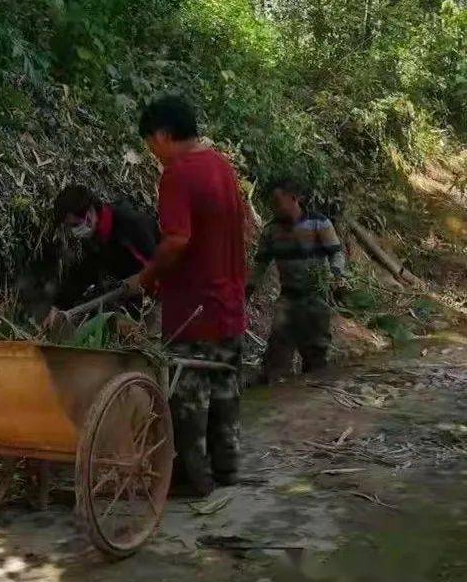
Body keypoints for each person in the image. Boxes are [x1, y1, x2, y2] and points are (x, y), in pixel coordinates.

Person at [129, 95, 248, 497]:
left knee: (187, 393)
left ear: (163, 134)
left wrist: (147, 275)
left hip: (194, 308)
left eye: (151, 145)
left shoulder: (178, 174)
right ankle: (227, 467)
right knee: (225, 385)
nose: (153, 155)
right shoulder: (223, 167)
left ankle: (192, 478)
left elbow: (178, 239)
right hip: (229, 301)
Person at [249, 178, 347, 384]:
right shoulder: (271, 231)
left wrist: (336, 274)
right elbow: (260, 265)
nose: (274, 206)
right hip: (288, 299)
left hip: (316, 298)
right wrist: (247, 289)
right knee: (277, 353)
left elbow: (337, 254)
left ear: (294, 198)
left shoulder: (320, 223)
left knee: (316, 356)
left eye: (278, 200)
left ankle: (313, 402)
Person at [46, 185, 157, 318]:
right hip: (133, 289)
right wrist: (58, 306)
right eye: (70, 227)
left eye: (76, 225)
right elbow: (86, 272)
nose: (75, 231)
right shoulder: (96, 235)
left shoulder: (130, 227)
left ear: (90, 212)